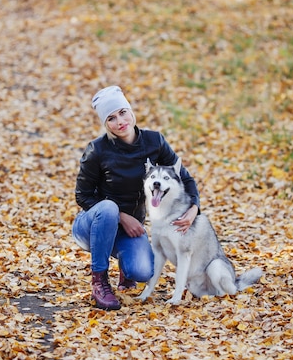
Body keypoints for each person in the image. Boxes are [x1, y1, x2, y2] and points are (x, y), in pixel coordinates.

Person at [72, 86, 201, 310]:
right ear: (105, 124)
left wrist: (194, 209)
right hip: (93, 225)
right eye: (111, 118)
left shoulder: (154, 142)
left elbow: (185, 179)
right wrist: (122, 216)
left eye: (123, 112)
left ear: (131, 111)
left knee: (143, 271)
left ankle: (125, 268)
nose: (120, 121)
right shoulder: (97, 150)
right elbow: (82, 195)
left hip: (130, 230)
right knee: (109, 209)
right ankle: (100, 282)